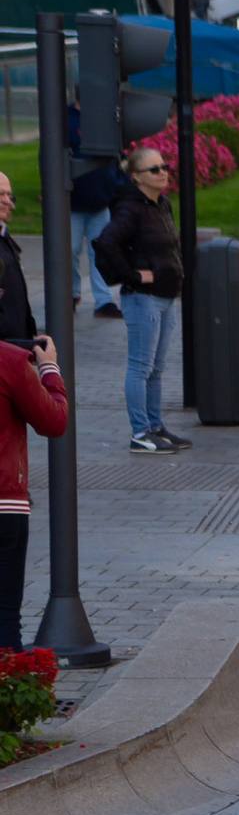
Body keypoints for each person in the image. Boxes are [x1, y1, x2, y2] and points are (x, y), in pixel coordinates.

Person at [0, 173, 68, 650]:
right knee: (5, 615)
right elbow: (53, 420)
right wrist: (48, 370)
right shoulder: (10, 365)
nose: (8, 202)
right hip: (5, 500)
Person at [91, 146, 188, 456]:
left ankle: (156, 426)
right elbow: (105, 243)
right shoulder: (130, 209)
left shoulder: (161, 204)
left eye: (164, 166)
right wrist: (131, 275)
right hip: (142, 300)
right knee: (140, 367)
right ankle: (141, 432)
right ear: (136, 178)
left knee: (157, 368)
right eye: (154, 169)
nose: (163, 173)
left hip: (165, 297)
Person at [67, 110, 121, 317]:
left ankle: (104, 300)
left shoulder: (104, 118)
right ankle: (71, 292)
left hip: (100, 202)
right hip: (73, 202)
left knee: (100, 251)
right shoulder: (67, 119)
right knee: (69, 250)